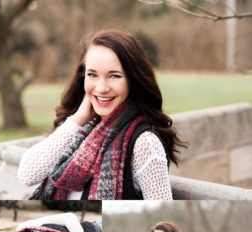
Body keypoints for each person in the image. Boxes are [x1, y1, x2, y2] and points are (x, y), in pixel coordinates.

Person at [18, 29, 186, 200]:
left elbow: (160, 204)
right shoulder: (79, 128)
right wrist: (78, 118)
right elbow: (27, 175)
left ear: (133, 80)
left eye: (114, 76)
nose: (101, 88)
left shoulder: (145, 143)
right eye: (92, 75)